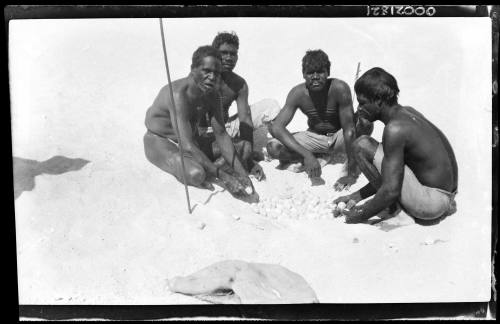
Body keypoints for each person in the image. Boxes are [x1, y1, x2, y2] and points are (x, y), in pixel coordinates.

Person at [334, 67, 458, 224]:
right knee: (375, 150)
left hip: (431, 203)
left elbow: (391, 189)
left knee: (361, 145)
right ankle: (394, 204)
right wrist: (356, 196)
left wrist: (360, 215)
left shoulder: (394, 129)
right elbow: (391, 171)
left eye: (363, 103)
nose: (359, 108)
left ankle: (394, 209)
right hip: (447, 195)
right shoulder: (408, 112)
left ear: (378, 101)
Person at [143, 45, 253, 197]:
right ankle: (208, 167)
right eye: (206, 71)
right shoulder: (178, 94)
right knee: (196, 174)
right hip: (161, 140)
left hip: (191, 140)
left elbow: (221, 133)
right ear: (193, 69)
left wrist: (243, 174)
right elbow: (186, 145)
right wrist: (224, 177)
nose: (212, 77)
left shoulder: (212, 93)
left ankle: (209, 166)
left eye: (216, 73)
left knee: (241, 148)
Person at [266, 49, 371, 189]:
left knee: (365, 123)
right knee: (273, 147)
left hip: (339, 137)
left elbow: (349, 130)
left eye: (320, 72)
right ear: (303, 74)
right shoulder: (297, 93)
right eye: (310, 73)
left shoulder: (339, 88)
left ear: (328, 72)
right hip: (314, 137)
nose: (315, 77)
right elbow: (276, 127)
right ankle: (316, 156)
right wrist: (307, 155)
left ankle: (350, 163)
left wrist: (351, 173)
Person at [196, 31, 281, 180]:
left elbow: (245, 118)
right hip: (203, 132)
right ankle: (227, 160)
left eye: (233, 54)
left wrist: (248, 144)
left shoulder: (238, 84)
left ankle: (278, 149)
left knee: (271, 105)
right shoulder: (202, 78)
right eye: (224, 53)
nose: (229, 58)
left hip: (226, 127)